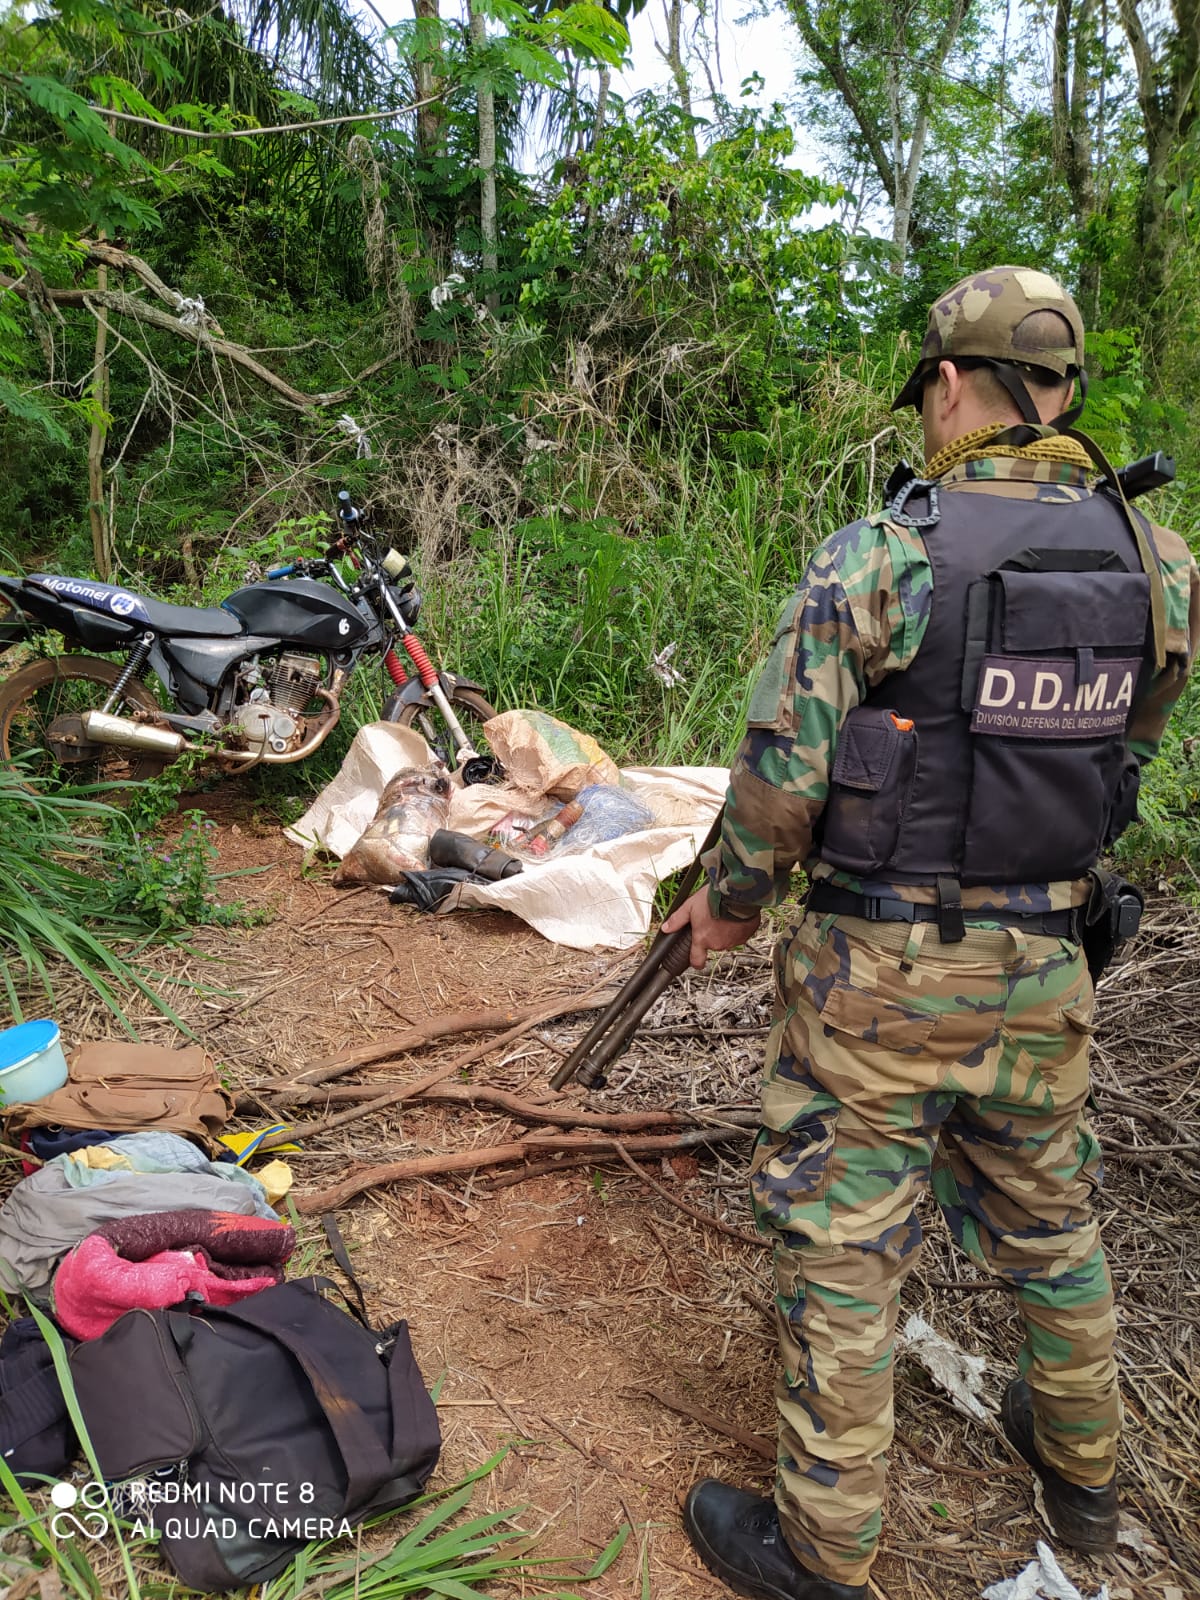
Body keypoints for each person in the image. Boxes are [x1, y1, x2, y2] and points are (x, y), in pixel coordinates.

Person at [662, 266, 1200, 1600]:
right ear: (1062, 391)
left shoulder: (885, 555)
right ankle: (1084, 1474)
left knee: (845, 1247)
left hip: (879, 973)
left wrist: (728, 904)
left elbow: (782, 780)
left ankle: (823, 1553)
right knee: (1054, 1229)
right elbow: (1131, 753)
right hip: (1047, 962)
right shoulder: (1157, 561)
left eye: (928, 396)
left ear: (951, 386)